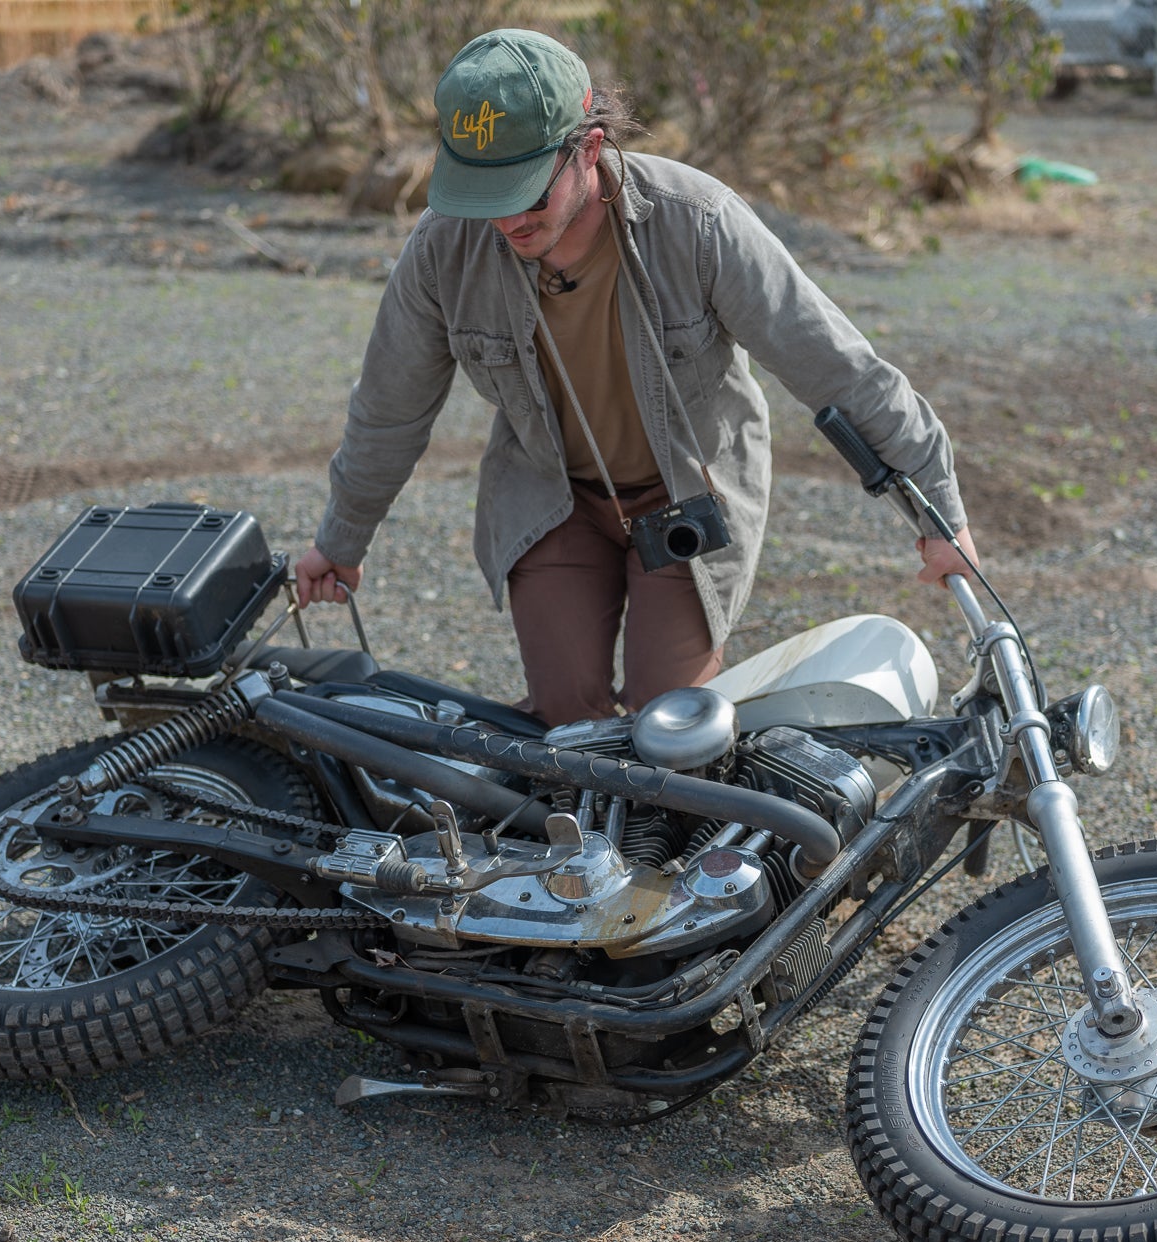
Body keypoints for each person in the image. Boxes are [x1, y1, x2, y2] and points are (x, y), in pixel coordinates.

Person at [295, 28, 976, 727]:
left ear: (587, 149)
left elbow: (836, 366)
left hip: (687, 493)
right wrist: (340, 543)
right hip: (552, 496)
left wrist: (939, 514)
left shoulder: (699, 223)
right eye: (481, 193)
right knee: (566, 723)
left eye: (525, 191)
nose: (504, 219)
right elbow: (389, 407)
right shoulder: (444, 248)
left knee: (671, 725)